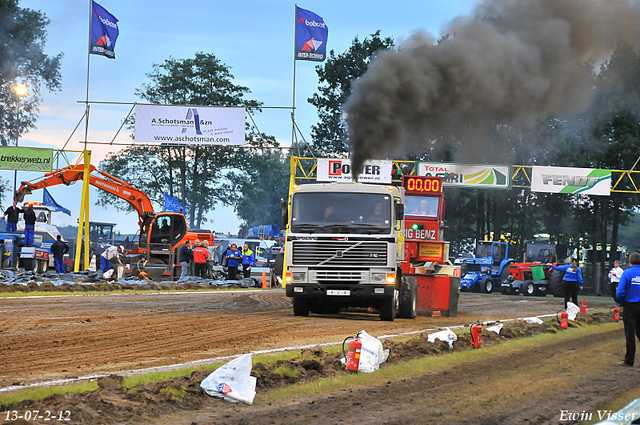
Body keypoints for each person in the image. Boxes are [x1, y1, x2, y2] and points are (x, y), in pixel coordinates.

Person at [615, 252, 640, 367]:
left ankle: (629, 360)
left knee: (630, 334)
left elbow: (620, 291)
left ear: (630, 262)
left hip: (630, 306)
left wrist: (621, 302)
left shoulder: (627, 273)